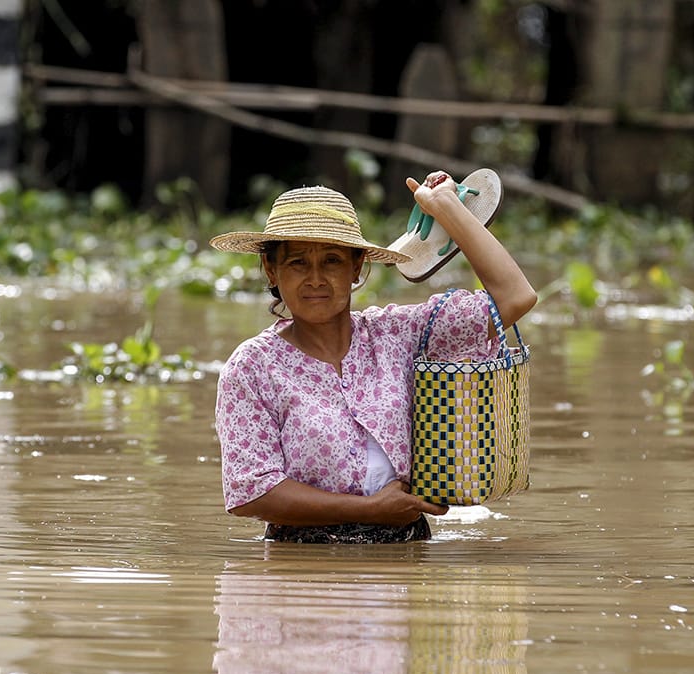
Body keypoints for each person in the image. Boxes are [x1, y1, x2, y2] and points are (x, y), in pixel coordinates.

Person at [211, 171, 537, 543]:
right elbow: (251, 492)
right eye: (298, 262)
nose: (315, 278)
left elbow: (514, 297)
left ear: (356, 267)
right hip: (303, 561)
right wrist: (369, 510)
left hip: (406, 548)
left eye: (332, 261)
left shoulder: (399, 335)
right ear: (272, 270)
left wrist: (445, 205)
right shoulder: (253, 367)